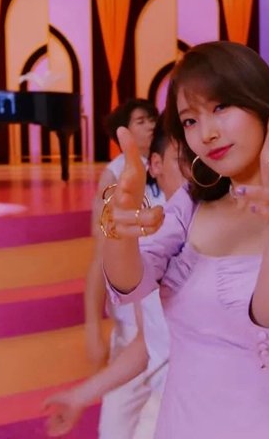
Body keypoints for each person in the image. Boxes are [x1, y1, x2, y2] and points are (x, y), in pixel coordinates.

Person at [101, 41, 269, 438]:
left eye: (221, 107)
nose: (207, 134)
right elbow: (129, 285)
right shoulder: (191, 205)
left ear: (263, 104)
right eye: (190, 121)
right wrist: (117, 230)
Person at [45, 120, 184, 438]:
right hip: (143, 358)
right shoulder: (142, 224)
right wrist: (80, 394)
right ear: (156, 165)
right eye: (183, 159)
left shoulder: (224, 235)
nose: (194, 171)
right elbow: (147, 340)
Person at [84, 99, 168, 439]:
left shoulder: (171, 168)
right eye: (140, 121)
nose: (149, 126)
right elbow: (101, 258)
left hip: (167, 321)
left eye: (152, 119)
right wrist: (93, 326)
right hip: (131, 324)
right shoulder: (116, 174)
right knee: (116, 423)